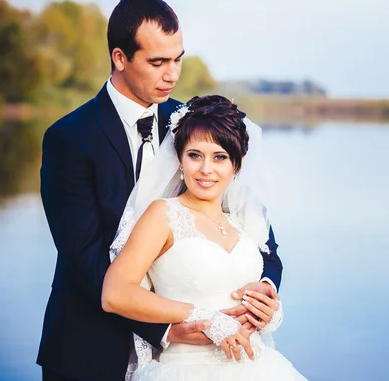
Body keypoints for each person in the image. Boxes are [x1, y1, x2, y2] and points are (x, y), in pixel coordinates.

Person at [38, 0, 283, 381]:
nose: (172, 74)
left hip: (209, 355)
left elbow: (257, 234)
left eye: (178, 59)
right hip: (92, 349)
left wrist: (264, 291)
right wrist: (167, 329)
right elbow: (82, 257)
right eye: (157, 62)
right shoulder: (69, 138)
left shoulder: (195, 124)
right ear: (120, 58)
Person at [102, 95, 305, 380]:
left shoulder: (242, 223)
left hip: (258, 367)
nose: (206, 169)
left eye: (220, 157)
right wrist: (205, 318)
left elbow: (263, 282)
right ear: (180, 160)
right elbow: (115, 294)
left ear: (237, 165)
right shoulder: (163, 214)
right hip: (186, 369)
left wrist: (268, 311)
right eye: (195, 155)